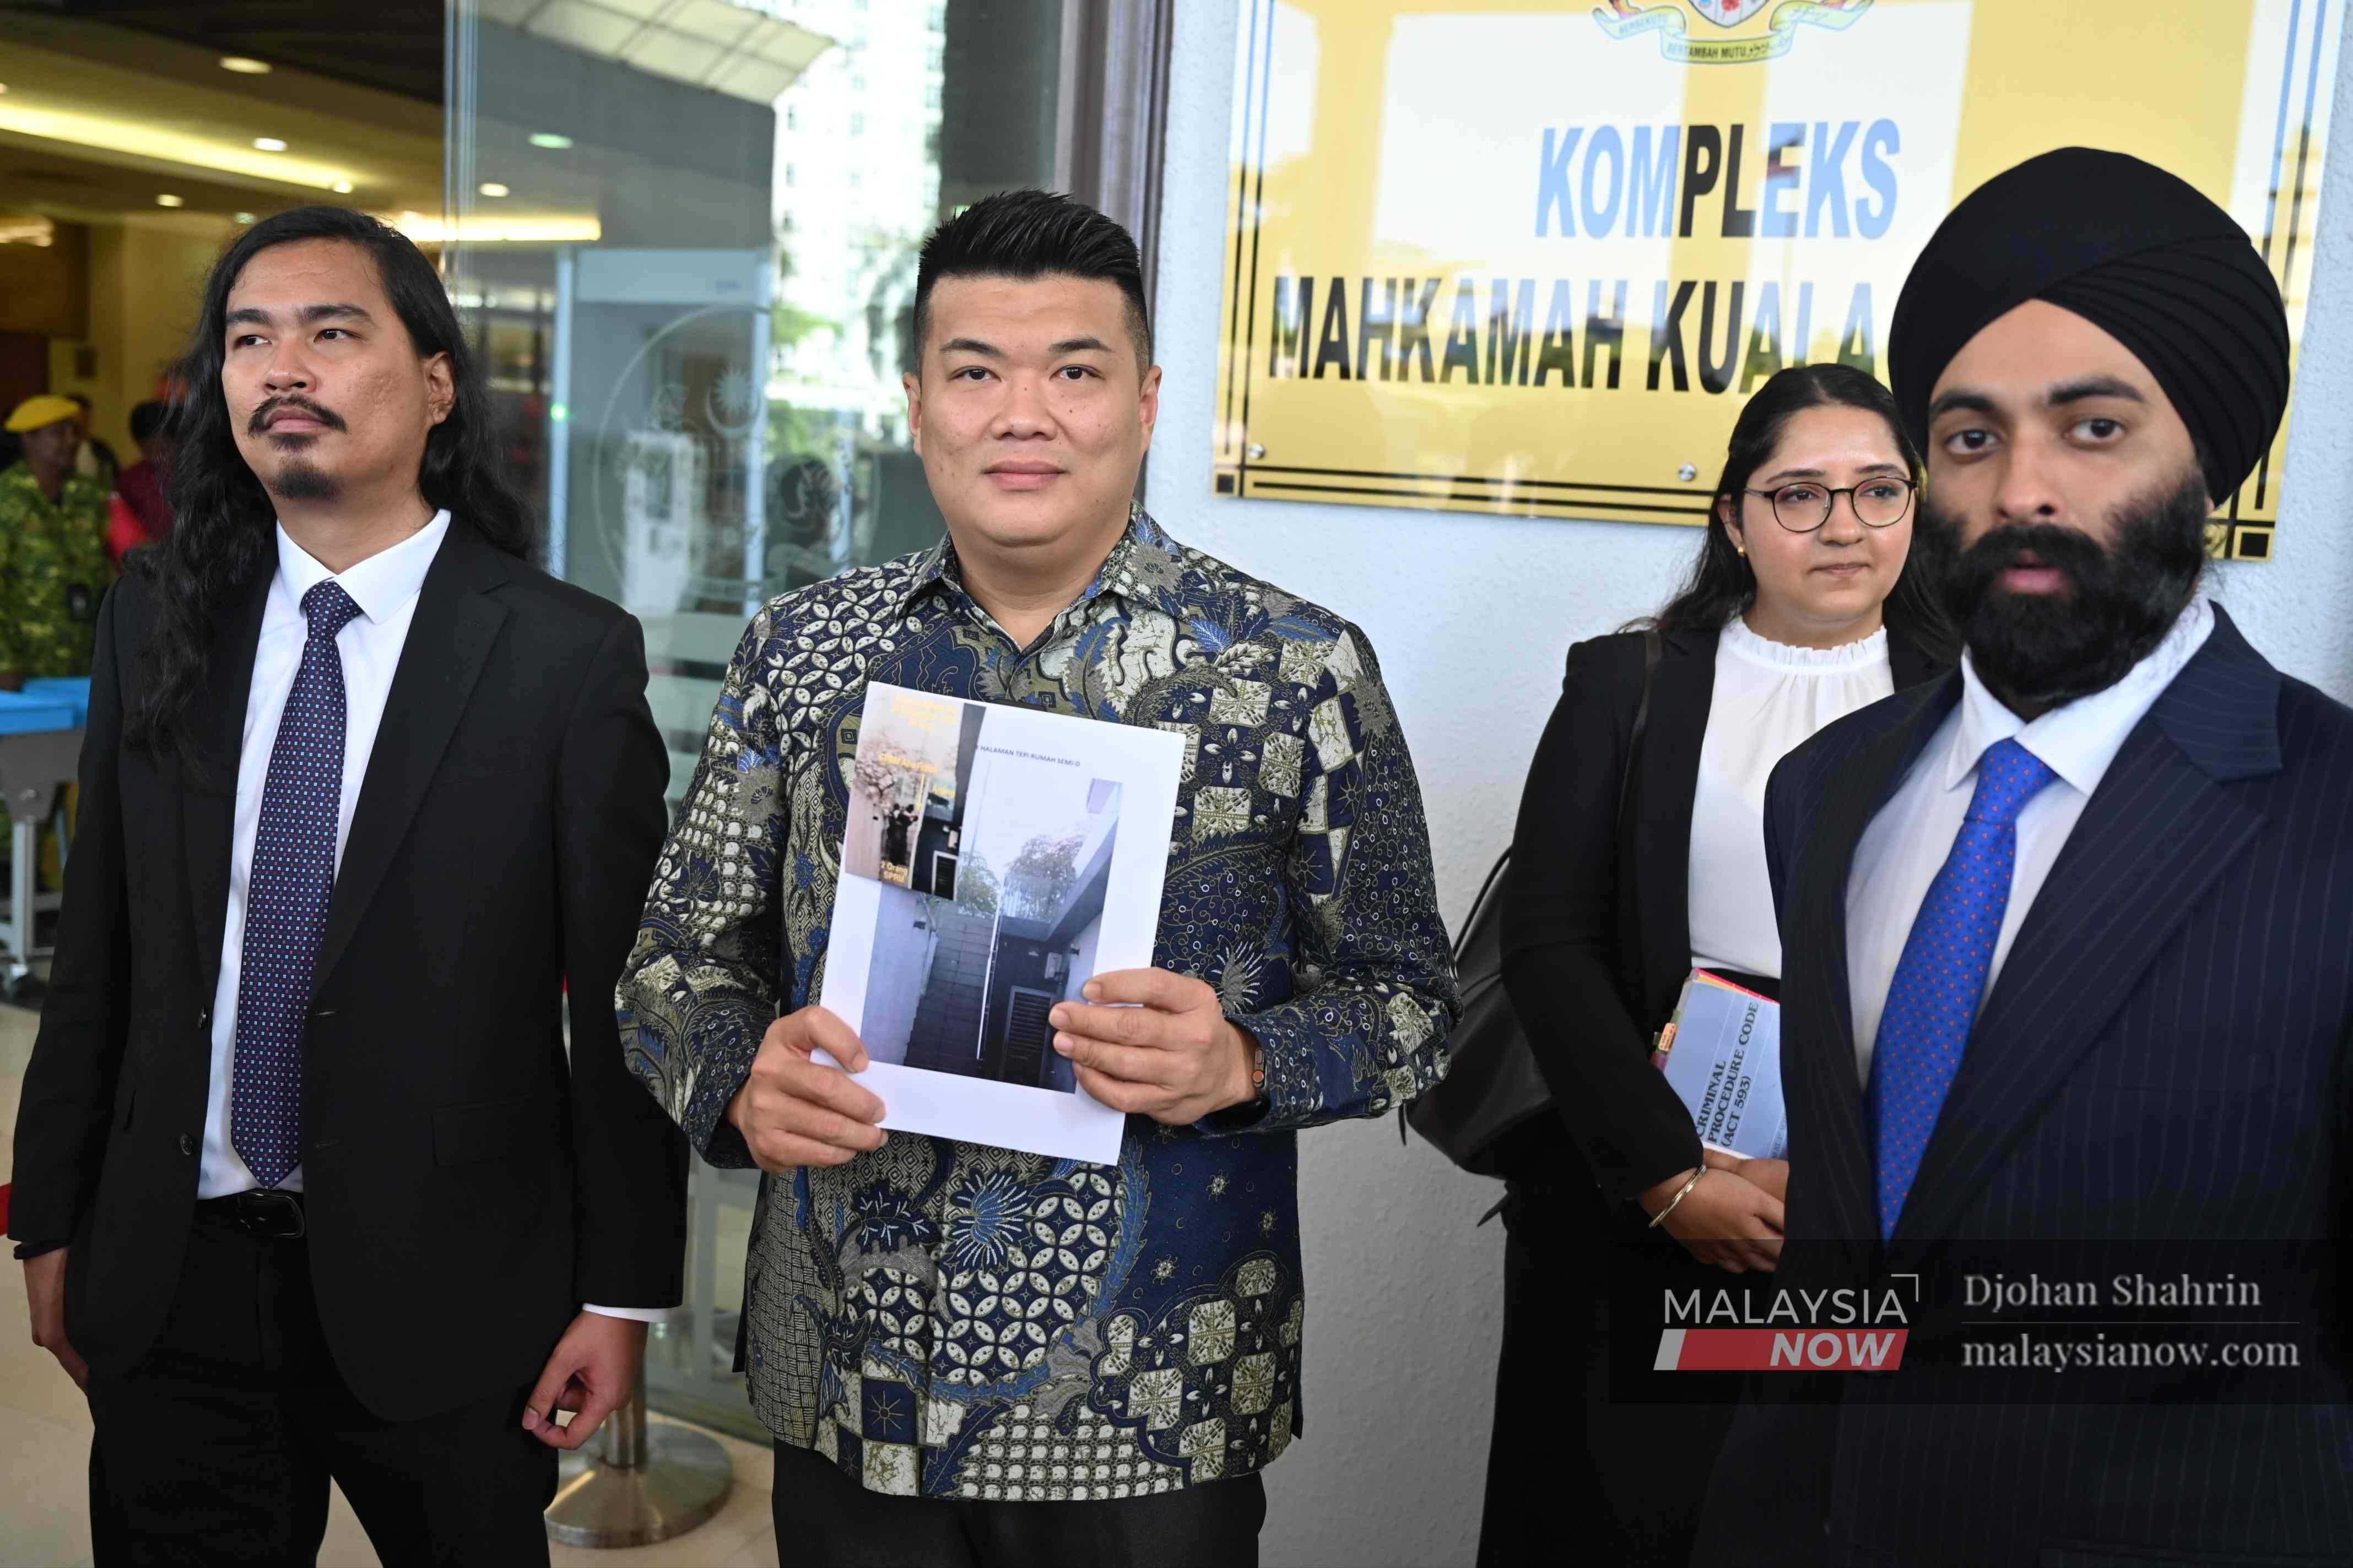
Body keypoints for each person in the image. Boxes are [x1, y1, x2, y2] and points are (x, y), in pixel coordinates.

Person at [618, 188, 1457, 1568]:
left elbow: (1416, 997)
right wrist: (733, 1073)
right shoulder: (804, 651)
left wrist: (1245, 1058)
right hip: (846, 1375)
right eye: (975, 371)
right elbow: (673, 961)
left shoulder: (1294, 669)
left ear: (1144, 399)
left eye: (1074, 369)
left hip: (1152, 1396)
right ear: (914, 403)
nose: (1025, 412)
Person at [1695, 148, 2353, 1565]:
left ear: (2207, 462)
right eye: (1972, 437)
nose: (2024, 488)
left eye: (2096, 427)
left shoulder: (2331, 812)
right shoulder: (1827, 790)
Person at [9, 206, 689, 1566]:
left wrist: (622, 1294)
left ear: (436, 382)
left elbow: (626, 1010)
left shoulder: (561, 659)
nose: (283, 367)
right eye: (248, 339)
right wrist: (50, 1211)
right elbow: (105, 949)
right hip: (174, 1274)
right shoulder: (158, 615)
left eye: (332, 330)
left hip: (452, 1295)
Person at [1481, 364, 1948, 1566]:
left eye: (1876, 490)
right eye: (1798, 494)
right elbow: (1547, 938)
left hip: (1872, 1205)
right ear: (1733, 518)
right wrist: (1669, 1177)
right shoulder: (1627, 681)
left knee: (1825, 1521)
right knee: (1622, 1521)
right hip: (1645, 1188)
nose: (1842, 525)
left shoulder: (1982, 694)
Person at [0, 393, 114, 690]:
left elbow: (126, 556)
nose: (71, 440)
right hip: (26, 663)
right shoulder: (6, 498)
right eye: (57, 433)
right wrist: (4, 662)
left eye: (74, 431)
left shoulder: (90, 495)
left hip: (87, 657)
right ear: (28, 439)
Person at [116, 399, 177, 546]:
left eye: (164, 447)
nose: (160, 456)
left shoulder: (197, 473)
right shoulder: (131, 481)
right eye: (150, 450)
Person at [66, 392, 122, 492]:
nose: (82, 423)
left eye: (86, 417)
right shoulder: (59, 451)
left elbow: (116, 480)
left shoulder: (101, 448)